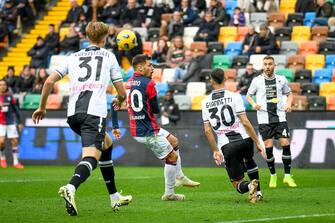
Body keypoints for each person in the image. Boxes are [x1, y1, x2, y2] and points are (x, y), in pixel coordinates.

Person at [32, 21, 132, 216]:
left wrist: (42, 107)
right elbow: (121, 91)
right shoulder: (109, 56)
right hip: (94, 113)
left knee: (107, 144)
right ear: (104, 39)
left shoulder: (73, 57)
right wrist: (120, 100)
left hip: (73, 114)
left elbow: (48, 82)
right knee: (91, 157)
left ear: (87, 38)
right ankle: (71, 187)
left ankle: (114, 197)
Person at [125, 54, 200, 201]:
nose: (153, 69)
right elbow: (156, 110)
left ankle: (180, 176)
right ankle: (170, 193)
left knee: (174, 141)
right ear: (140, 67)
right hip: (147, 130)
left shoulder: (128, 82)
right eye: (149, 65)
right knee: (172, 156)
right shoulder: (149, 83)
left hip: (138, 127)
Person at [202, 68, 266, 203]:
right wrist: (257, 142)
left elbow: (207, 130)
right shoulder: (235, 96)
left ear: (211, 81)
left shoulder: (205, 102)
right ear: (225, 79)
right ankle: (258, 192)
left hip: (227, 145)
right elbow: (245, 122)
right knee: (248, 159)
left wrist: (215, 150)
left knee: (237, 183)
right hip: (245, 140)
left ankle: (250, 186)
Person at [246, 56, 297, 188]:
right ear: (263, 66)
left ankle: (287, 176)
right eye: (265, 64)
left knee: (285, 143)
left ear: (274, 65)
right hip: (264, 119)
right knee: (268, 149)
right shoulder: (257, 81)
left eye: (270, 64)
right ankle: (273, 176)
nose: (267, 66)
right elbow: (248, 95)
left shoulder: (281, 79)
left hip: (280, 118)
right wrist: (253, 104)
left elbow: (289, 94)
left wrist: (289, 104)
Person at [0, 80, 24, 169]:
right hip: (0, 123)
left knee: (14, 141)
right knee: (1, 142)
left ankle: (16, 162)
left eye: (4, 85)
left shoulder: (10, 97)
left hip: (10, 122)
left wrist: (20, 122)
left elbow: (16, 111)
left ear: (6, 86)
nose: (2, 86)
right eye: (0, 85)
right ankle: (2, 158)